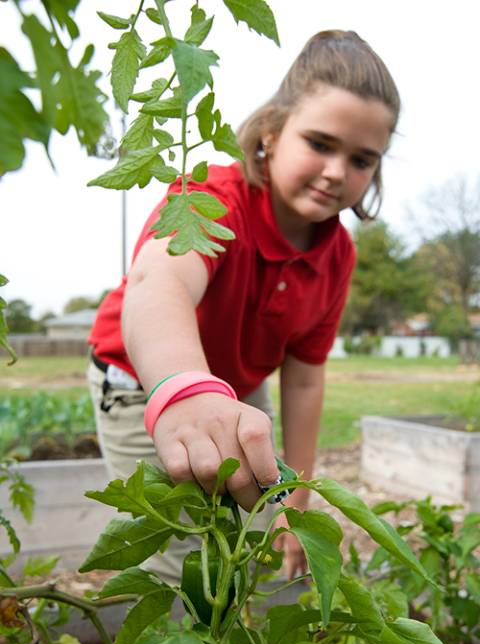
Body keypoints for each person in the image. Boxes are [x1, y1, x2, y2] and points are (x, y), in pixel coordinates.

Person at [87, 29, 400, 583]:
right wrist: (184, 389)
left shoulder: (337, 254)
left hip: (233, 384)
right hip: (146, 380)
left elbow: (303, 381)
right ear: (273, 133)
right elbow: (159, 283)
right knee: (177, 557)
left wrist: (295, 505)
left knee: (249, 536)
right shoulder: (215, 196)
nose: (336, 171)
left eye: (362, 159)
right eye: (321, 143)